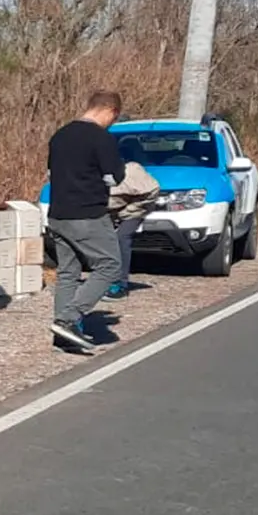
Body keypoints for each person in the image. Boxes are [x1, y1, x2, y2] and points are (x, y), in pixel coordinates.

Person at [46, 90, 126, 352]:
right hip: (87, 214)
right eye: (114, 118)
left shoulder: (60, 135)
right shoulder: (100, 138)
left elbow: (53, 171)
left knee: (68, 272)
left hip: (58, 213)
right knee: (110, 266)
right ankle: (70, 319)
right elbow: (116, 175)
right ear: (110, 111)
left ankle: (62, 333)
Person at [105, 157, 160, 300]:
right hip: (109, 210)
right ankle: (100, 281)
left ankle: (120, 284)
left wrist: (127, 211)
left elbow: (152, 190)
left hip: (136, 208)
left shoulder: (130, 174)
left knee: (122, 237)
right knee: (103, 240)